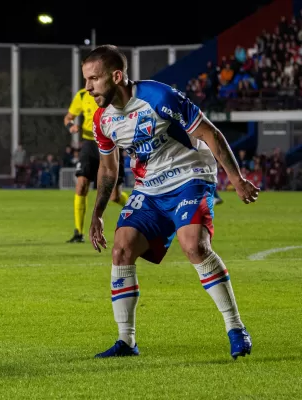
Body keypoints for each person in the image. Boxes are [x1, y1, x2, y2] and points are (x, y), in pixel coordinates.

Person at [83, 45, 258, 359]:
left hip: (190, 174)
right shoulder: (102, 120)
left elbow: (210, 133)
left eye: (94, 79)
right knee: (121, 249)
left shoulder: (159, 97)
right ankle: (126, 341)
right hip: (150, 187)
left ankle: (236, 328)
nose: (87, 87)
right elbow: (108, 168)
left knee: (194, 245)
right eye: (86, 80)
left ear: (117, 76)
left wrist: (236, 179)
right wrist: (96, 214)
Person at [64, 88, 129, 243]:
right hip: (89, 144)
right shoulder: (81, 95)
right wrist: (71, 126)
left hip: (111, 142)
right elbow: (68, 118)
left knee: (115, 196)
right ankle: (78, 232)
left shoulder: (114, 93)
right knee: (81, 185)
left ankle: (144, 209)